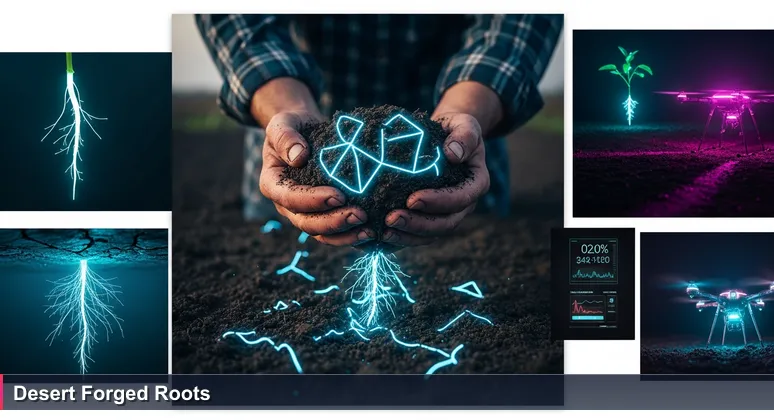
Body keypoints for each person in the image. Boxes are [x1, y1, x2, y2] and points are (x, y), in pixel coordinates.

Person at [196, 14, 562, 248]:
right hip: (301, 146)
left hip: (456, 145)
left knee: (473, 245)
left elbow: (520, 20)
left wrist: (466, 112)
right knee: (288, 241)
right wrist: (286, 108)